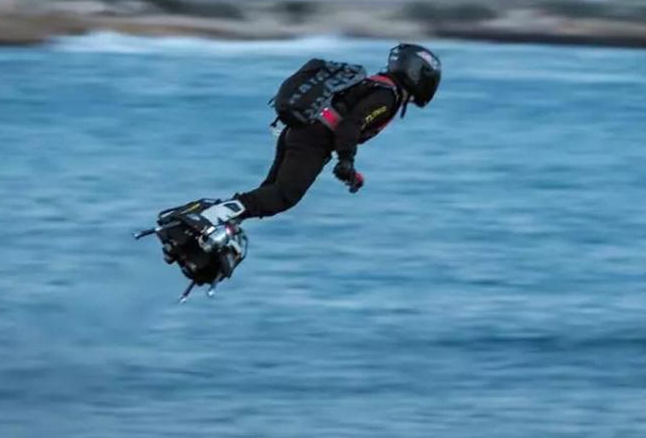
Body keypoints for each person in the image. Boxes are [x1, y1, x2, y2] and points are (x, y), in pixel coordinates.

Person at [149, 44, 442, 288]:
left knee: (270, 194)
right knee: (282, 197)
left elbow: (347, 118)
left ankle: (210, 232)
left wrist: (349, 167)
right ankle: (210, 216)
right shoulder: (387, 96)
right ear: (418, 75)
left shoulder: (377, 84)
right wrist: (345, 160)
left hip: (300, 130)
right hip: (314, 138)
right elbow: (351, 125)